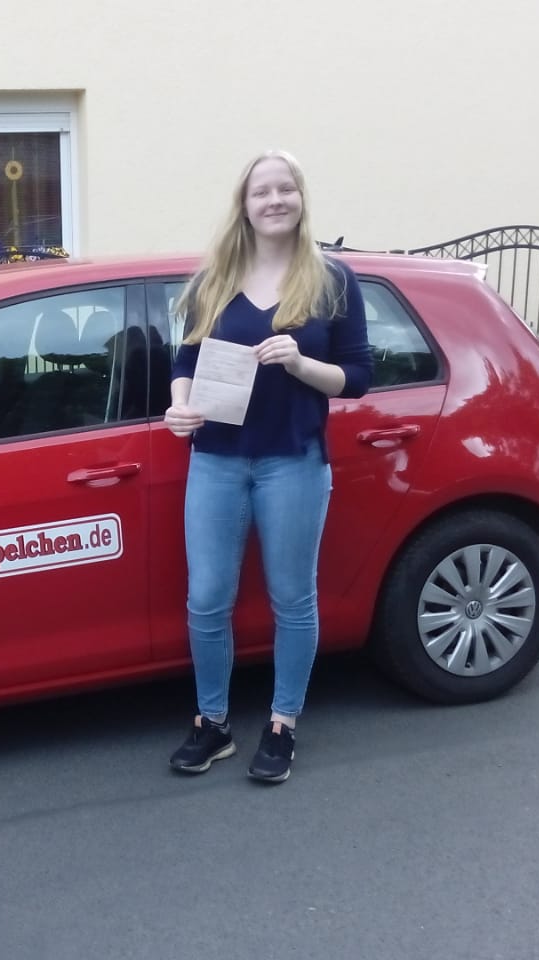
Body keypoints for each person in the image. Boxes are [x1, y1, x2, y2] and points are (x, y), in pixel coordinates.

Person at [164, 149, 373, 783]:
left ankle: (283, 724)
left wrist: (300, 363)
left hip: (293, 463)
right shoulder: (214, 279)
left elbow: (358, 377)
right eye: (262, 191)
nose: (275, 200)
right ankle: (212, 723)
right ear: (245, 205)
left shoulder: (332, 280)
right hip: (216, 461)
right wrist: (179, 408)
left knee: (292, 598)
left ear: (301, 199)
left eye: (286, 188)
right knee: (207, 599)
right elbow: (185, 361)